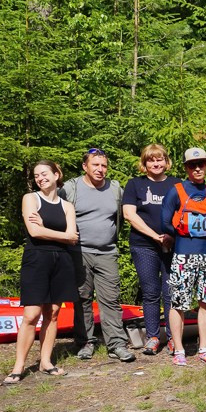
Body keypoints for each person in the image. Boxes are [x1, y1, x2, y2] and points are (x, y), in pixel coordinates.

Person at [5, 161, 79, 384]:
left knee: (53, 313)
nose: (40, 178)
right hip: (36, 259)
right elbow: (34, 231)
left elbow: (73, 237)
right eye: (37, 175)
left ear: (57, 175)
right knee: (31, 314)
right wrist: (61, 234)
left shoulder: (67, 206)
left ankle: (46, 362)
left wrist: (49, 230)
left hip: (62, 260)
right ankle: (18, 366)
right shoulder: (31, 199)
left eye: (44, 174)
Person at [63, 147, 133, 362]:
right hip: (79, 252)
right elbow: (53, 208)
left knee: (111, 299)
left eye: (104, 165)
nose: (100, 169)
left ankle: (116, 344)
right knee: (82, 298)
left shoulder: (114, 188)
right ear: (85, 166)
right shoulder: (70, 188)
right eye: (95, 165)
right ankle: (85, 342)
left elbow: (122, 216)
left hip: (107, 252)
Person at [162, 148, 206, 366]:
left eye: (201, 164)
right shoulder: (176, 191)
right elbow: (165, 222)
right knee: (178, 303)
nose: (197, 168)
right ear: (186, 167)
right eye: (192, 165)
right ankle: (179, 350)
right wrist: (183, 230)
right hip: (184, 254)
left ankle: (204, 349)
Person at [121, 144, 182, 356]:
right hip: (144, 245)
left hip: (173, 246)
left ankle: (174, 338)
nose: (156, 164)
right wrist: (155, 236)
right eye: (151, 160)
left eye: (160, 159)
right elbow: (129, 214)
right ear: (144, 163)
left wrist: (171, 236)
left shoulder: (177, 184)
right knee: (150, 292)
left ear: (166, 162)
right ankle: (153, 337)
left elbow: (185, 214)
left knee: (171, 292)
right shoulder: (135, 184)